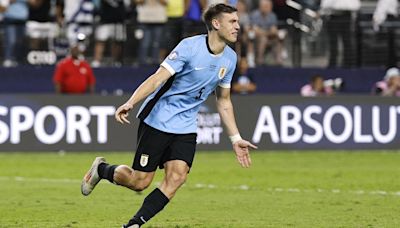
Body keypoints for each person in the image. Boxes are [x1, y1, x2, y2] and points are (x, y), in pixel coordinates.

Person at [80, 3, 257, 227]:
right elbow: (157, 79)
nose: (237, 26)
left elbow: (223, 100)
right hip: (159, 119)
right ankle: (101, 170)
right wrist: (131, 102)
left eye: (237, 21)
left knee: (177, 177)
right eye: (232, 21)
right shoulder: (189, 47)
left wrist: (235, 138)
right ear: (216, 23)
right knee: (139, 181)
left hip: (186, 127)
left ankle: (134, 224)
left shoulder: (230, 59)